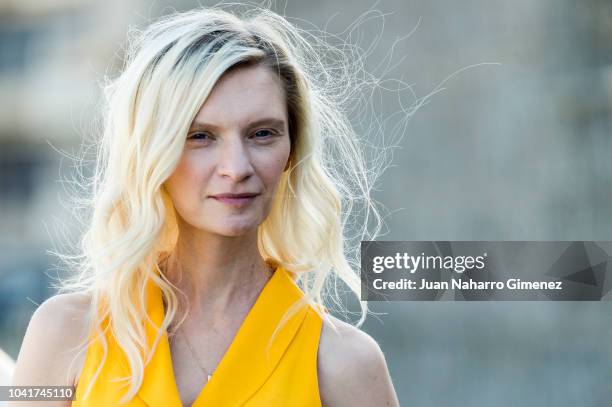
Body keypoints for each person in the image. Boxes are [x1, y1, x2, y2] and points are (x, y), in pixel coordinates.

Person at [11, 5, 400, 407]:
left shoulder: (346, 365)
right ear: (151, 150)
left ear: (292, 150)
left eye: (262, 133)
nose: (236, 168)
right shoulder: (62, 334)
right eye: (200, 136)